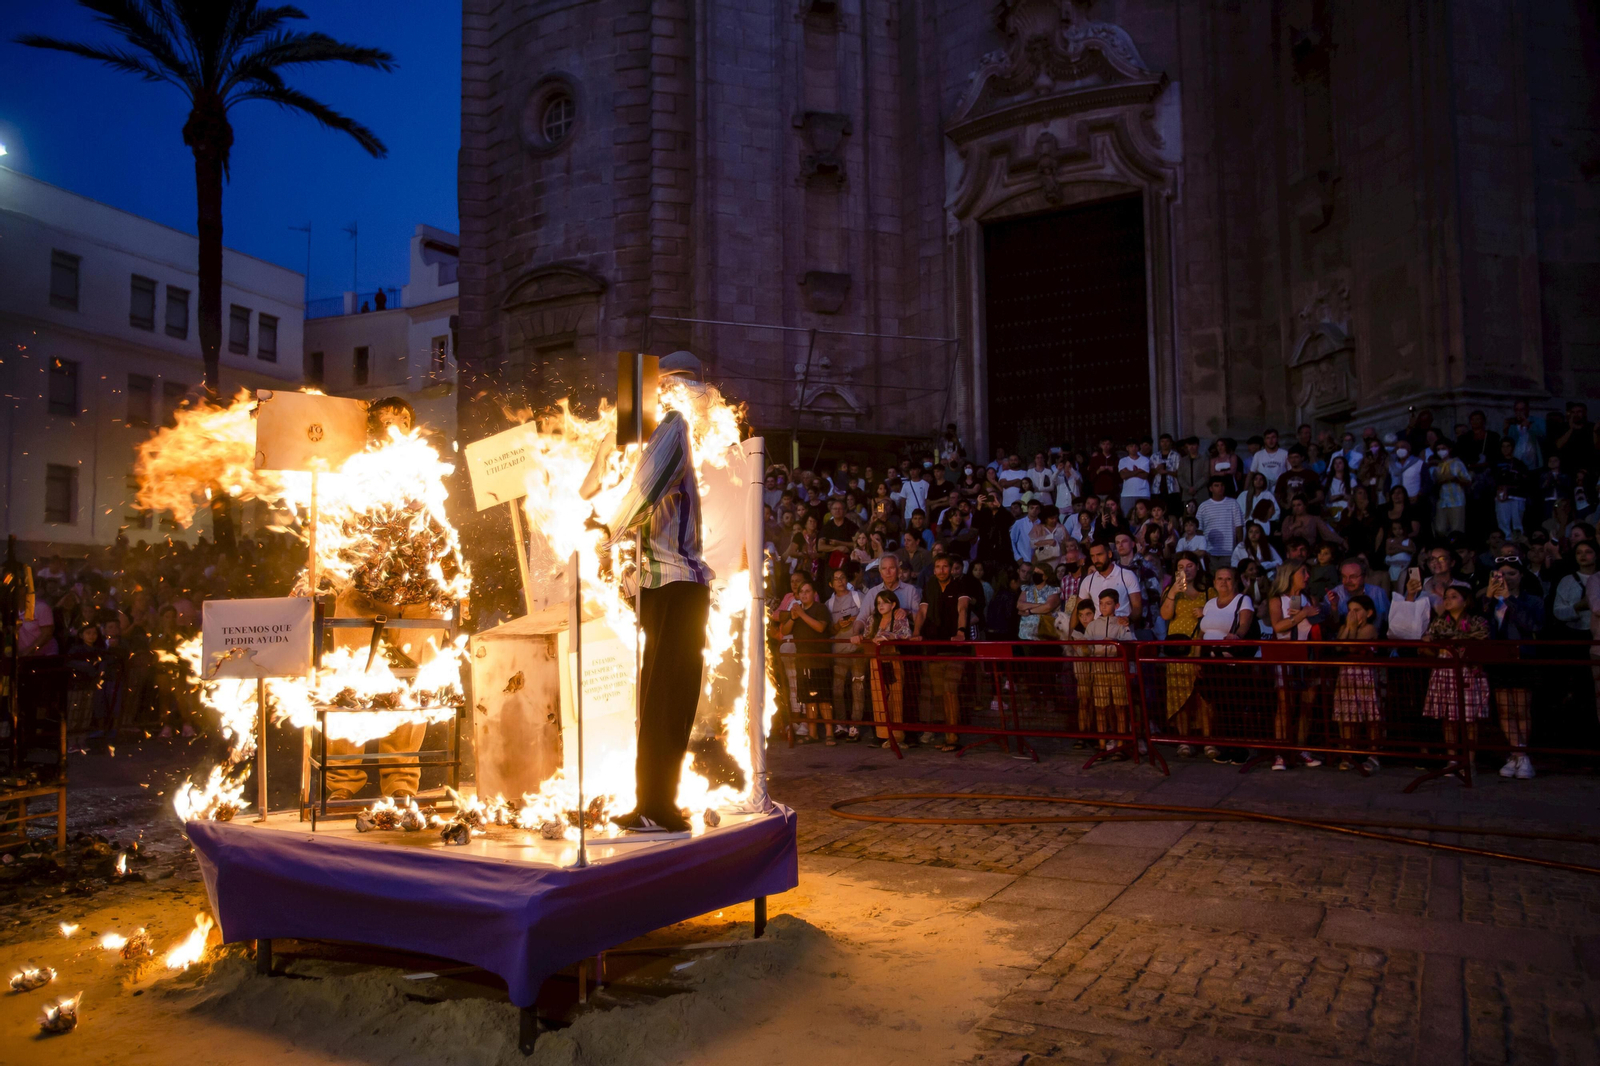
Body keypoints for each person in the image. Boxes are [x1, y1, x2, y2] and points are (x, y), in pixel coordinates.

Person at [587, 358, 716, 834]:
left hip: (679, 586)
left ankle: (658, 806)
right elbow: (589, 491)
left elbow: (644, 493)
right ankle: (652, 804)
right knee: (656, 701)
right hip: (661, 590)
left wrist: (607, 532)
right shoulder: (643, 442)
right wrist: (607, 444)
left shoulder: (673, 426)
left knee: (667, 700)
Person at [1482, 562, 1543, 779]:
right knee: (1505, 709)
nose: (1506, 578)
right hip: (1498, 660)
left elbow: (1533, 625)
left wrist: (1509, 598)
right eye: (1501, 574)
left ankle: (1521, 754)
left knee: (1521, 709)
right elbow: (1479, 626)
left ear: (1521, 575)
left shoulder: (1532, 600)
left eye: (1512, 573)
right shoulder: (1490, 600)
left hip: (1522, 659)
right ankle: (1516, 754)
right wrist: (1488, 599)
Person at [1421, 586, 1490, 767]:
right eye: (1446, 597)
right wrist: (1429, 643)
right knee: (1448, 717)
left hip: (1468, 670)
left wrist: (1449, 641)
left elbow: (1481, 639)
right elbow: (1428, 641)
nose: (1448, 600)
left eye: (1453, 596)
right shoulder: (1439, 622)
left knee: (1469, 719)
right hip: (1444, 669)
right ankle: (1452, 758)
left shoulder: (1476, 621)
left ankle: (1470, 760)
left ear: (1465, 601)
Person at [1265, 561, 1321, 772]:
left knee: (1307, 704)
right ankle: (1280, 751)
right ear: (1290, 575)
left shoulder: (1308, 598)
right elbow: (1278, 626)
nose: (1307, 576)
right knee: (1285, 705)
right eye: (1303, 572)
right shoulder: (1277, 599)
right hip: (1286, 655)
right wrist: (1302, 614)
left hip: (1308, 655)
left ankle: (1301, 748)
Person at [920, 555, 977, 751]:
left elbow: (963, 609)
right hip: (934, 647)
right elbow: (922, 612)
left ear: (951, 569)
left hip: (955, 648)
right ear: (934, 569)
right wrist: (916, 633)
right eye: (938, 566)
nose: (942, 570)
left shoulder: (960, 586)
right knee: (939, 694)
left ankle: (953, 737)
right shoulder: (930, 586)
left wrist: (960, 632)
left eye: (945, 566)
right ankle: (947, 735)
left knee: (950, 690)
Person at [1159, 553, 1208, 756]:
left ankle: (1208, 740)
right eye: (1181, 566)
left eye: (1189, 565)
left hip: (1201, 648)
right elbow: (1165, 615)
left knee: (1203, 697)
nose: (1185, 570)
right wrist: (1172, 592)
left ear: (1197, 567)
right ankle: (1184, 740)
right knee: (1180, 696)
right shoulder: (1171, 591)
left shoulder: (1209, 591)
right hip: (1178, 649)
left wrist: (1206, 611)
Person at [1332, 595, 1383, 772]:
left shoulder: (1370, 629)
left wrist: (1352, 628)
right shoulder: (1345, 627)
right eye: (1349, 611)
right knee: (1346, 714)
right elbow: (1339, 647)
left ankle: (1374, 754)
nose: (1352, 614)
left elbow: (1353, 646)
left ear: (1369, 613)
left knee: (1371, 715)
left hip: (1365, 676)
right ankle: (1348, 752)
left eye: (1357, 610)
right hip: (1346, 675)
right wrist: (1347, 627)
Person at [779, 577, 834, 744]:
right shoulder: (796, 611)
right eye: (801, 592)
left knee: (824, 699)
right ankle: (812, 733)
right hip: (803, 661)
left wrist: (802, 614)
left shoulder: (820, 608)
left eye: (807, 591)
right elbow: (785, 631)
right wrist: (793, 617)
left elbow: (820, 627)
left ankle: (829, 733)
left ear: (814, 593)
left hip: (820, 660)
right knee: (809, 700)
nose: (804, 594)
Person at [856, 589, 911, 747]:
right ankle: (882, 735)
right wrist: (859, 637)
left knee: (896, 697)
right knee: (878, 697)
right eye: (878, 603)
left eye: (884, 602)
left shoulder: (899, 618)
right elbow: (867, 637)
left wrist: (889, 636)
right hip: (876, 661)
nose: (880, 605)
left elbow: (907, 634)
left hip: (893, 659)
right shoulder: (872, 619)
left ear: (893, 605)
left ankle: (897, 735)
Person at [825, 569, 868, 741]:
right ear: (831, 584)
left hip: (858, 651)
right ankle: (841, 724)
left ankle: (855, 725)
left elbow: (869, 616)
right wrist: (838, 626)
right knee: (837, 689)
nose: (840, 581)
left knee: (858, 688)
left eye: (842, 577)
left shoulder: (858, 597)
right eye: (836, 579)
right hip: (839, 652)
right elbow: (828, 629)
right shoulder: (829, 604)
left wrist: (856, 620)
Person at [1082, 541, 1143, 626]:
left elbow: (1137, 607)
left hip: (1122, 628)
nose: (1096, 560)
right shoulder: (1088, 580)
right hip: (1099, 629)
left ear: (1109, 554)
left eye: (1099, 555)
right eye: (1092, 556)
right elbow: (1079, 608)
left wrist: (1128, 619)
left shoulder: (1127, 575)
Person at [1197, 478, 1243, 574]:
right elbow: (1199, 530)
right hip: (1209, 551)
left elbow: (1239, 528)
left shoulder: (1233, 503)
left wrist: (1239, 548)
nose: (1220, 488)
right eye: (1216, 485)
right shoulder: (1203, 506)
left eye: (1222, 485)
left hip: (1228, 551)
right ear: (1211, 488)